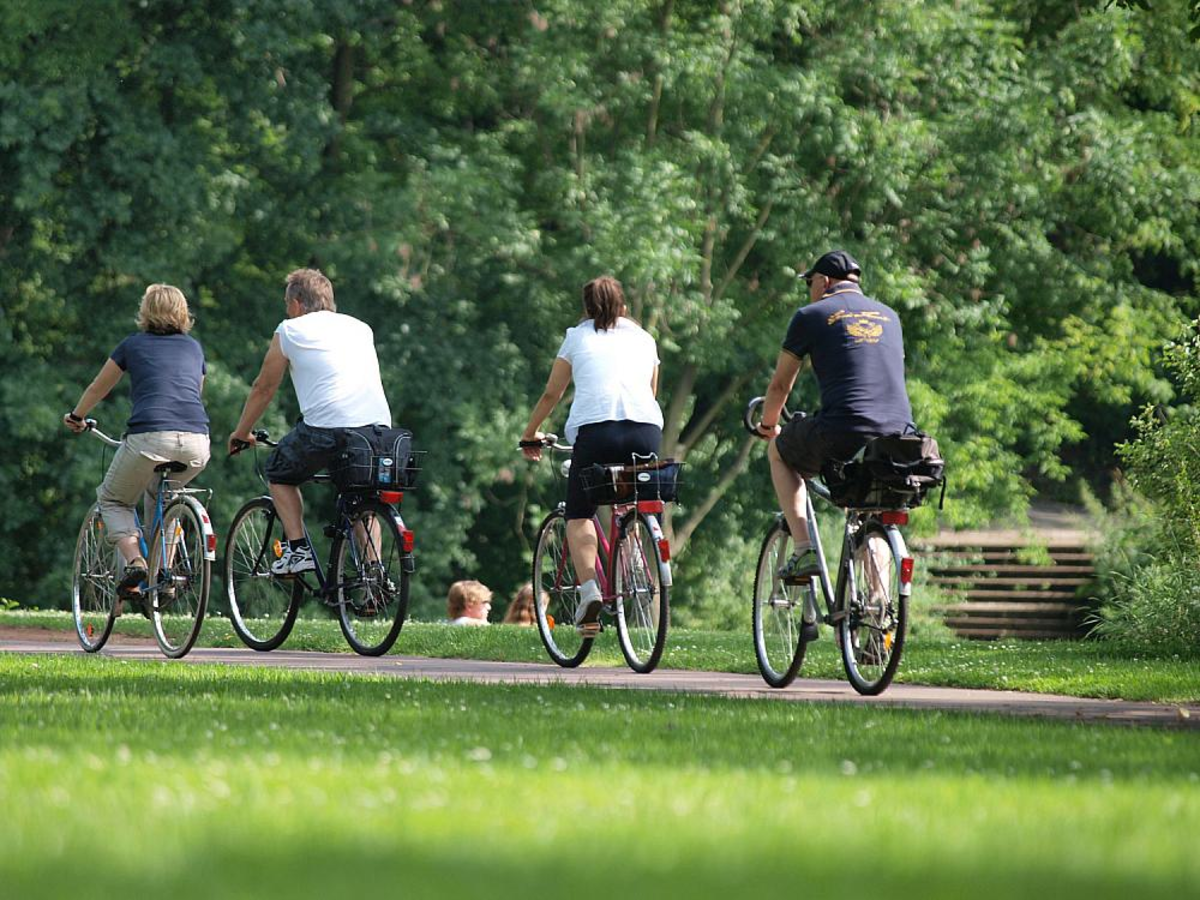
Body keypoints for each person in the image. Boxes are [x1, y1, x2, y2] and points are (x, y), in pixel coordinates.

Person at [753, 250, 914, 585]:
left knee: (779, 452)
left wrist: (768, 425)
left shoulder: (811, 315)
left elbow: (780, 385)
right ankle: (878, 605)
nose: (809, 290)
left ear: (824, 281)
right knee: (871, 512)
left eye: (809, 283)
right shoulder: (891, 316)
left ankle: (803, 549)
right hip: (900, 436)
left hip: (843, 429)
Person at [519, 275, 663, 635]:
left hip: (597, 431)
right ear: (623, 306)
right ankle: (633, 549)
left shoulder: (577, 336)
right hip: (646, 429)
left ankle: (589, 592)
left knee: (580, 512)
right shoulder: (645, 339)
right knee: (631, 495)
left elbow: (552, 393)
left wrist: (530, 433)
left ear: (586, 308)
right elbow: (651, 392)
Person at [228, 268, 391, 575]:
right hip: (377, 431)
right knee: (361, 497)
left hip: (327, 429)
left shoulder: (290, 330)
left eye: (286, 305)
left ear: (297, 304)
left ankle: (297, 550)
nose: (286, 311)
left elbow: (264, 388)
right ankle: (374, 575)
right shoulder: (361, 328)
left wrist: (242, 432)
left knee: (279, 473)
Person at [63, 284, 211, 610]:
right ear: (183, 313)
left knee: (113, 499)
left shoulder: (132, 345)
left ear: (146, 311)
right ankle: (164, 576)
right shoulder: (193, 348)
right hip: (197, 442)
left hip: (149, 438)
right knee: (164, 499)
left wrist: (77, 416)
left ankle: (136, 563)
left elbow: (98, 387)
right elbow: (194, 393)